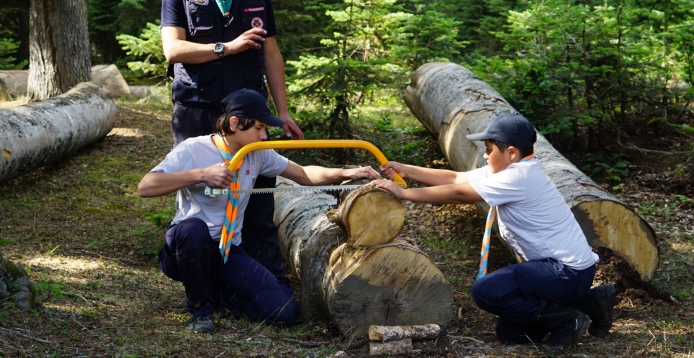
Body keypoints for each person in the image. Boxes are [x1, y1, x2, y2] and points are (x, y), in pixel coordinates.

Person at [138, 89, 382, 334]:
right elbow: (146, 186)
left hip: (227, 250)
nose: (264, 136)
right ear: (235, 123)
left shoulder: (258, 153)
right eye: (258, 128)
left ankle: (211, 292)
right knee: (193, 229)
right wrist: (200, 175)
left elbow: (302, 173)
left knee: (283, 311)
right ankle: (200, 310)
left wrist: (347, 173)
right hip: (185, 248)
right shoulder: (193, 150)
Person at [371, 113, 617, 354]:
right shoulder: (513, 169)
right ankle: (593, 303)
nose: (485, 156)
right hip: (558, 271)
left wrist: (404, 193)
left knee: (486, 291)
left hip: (567, 272)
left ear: (511, 152)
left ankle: (567, 320)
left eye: (489, 149)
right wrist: (405, 170)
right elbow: (456, 178)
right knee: (512, 334)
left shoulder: (519, 177)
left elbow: (459, 194)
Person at [160, 0, 303, 288]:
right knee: (201, 192)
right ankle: (199, 277)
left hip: (247, 110)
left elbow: (271, 54)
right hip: (197, 107)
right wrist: (227, 46)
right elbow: (173, 50)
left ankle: (268, 276)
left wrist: (282, 110)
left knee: (258, 195)